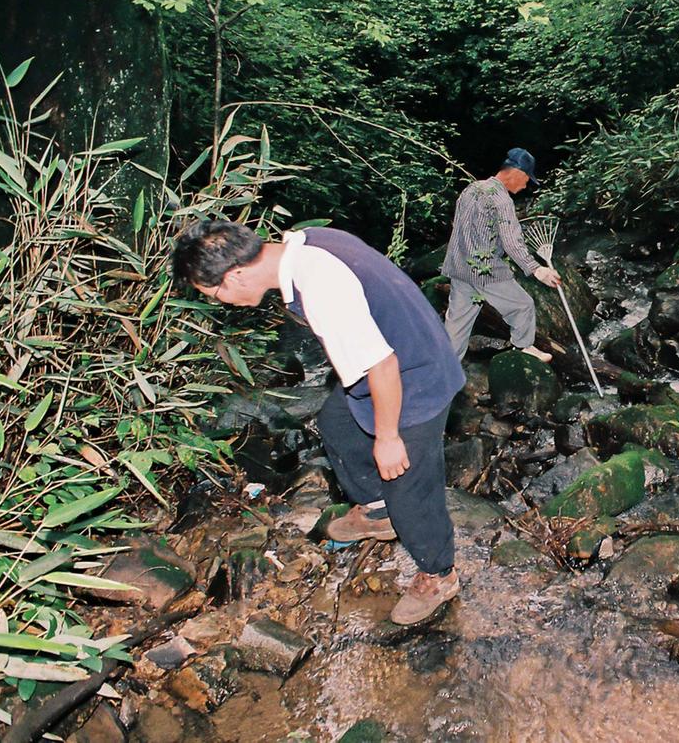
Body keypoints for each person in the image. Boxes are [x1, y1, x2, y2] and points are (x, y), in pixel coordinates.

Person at [171, 221, 465, 624]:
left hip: (415, 376)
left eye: (216, 293)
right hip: (401, 351)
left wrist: (388, 437)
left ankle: (438, 575)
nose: (224, 303)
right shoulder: (305, 243)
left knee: (407, 482)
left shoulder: (321, 288)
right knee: (337, 423)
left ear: (235, 274)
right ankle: (379, 512)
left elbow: (383, 365)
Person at [441, 147, 561, 362]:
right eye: (526, 180)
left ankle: (446, 367)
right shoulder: (501, 200)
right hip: (485, 269)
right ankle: (524, 346)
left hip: (458, 266)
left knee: (457, 324)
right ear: (516, 173)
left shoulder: (471, 189)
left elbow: (457, 228)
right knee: (523, 305)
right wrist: (536, 269)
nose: (524, 186)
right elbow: (511, 241)